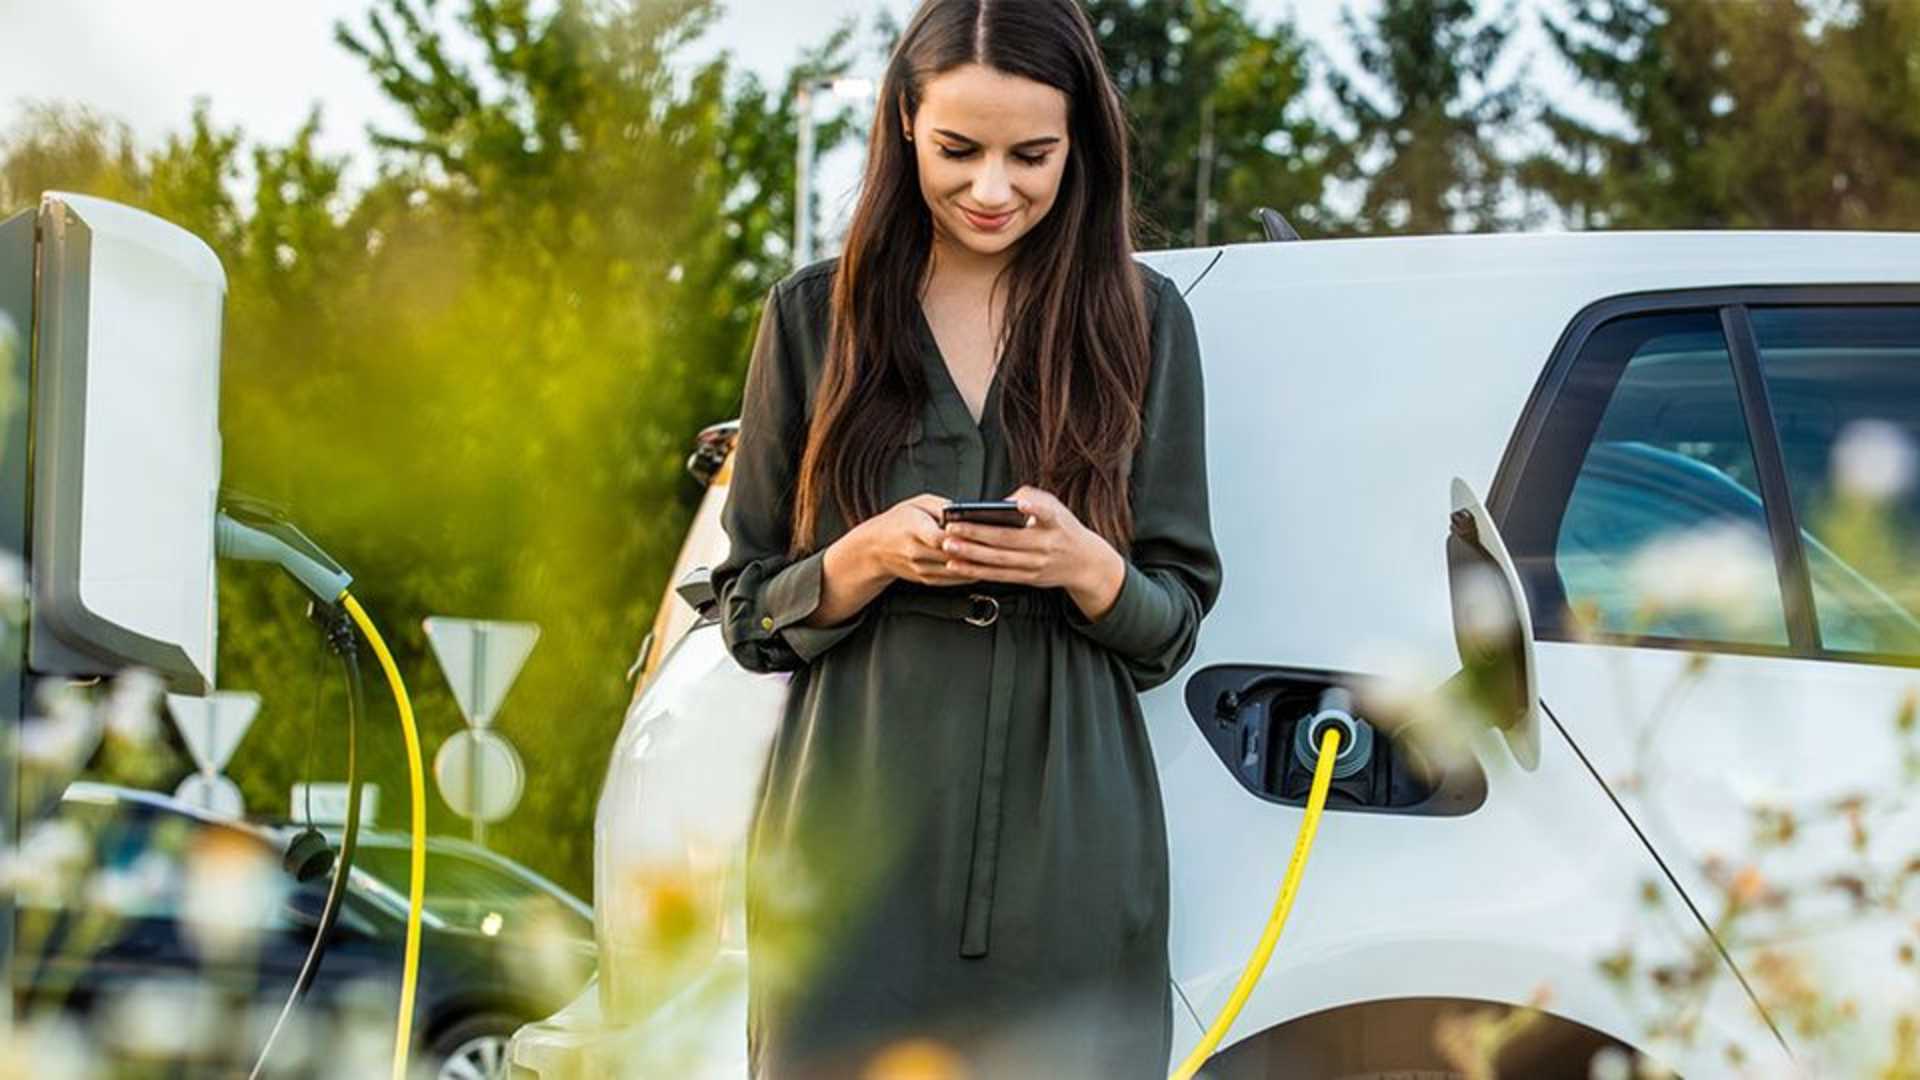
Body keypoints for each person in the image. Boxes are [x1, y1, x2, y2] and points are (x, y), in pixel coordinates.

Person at [710, 0, 1222, 1076]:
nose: (994, 189)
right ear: (904, 120)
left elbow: (1172, 623)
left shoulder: (1143, 320)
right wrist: (862, 558)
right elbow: (747, 612)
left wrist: (1085, 566)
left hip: (1068, 841)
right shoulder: (813, 318)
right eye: (959, 150)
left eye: (1031, 156)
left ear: (1080, 142)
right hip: (852, 831)